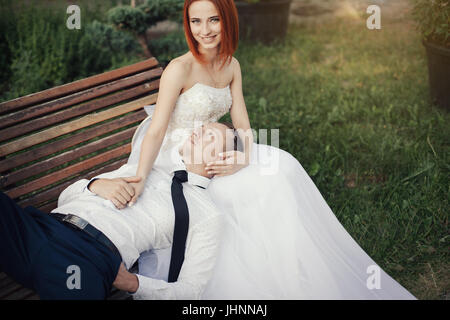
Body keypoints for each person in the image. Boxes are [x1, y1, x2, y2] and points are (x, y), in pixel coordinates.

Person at [127, 0, 418, 299]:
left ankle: (296, 264)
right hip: (181, 151)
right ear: (188, 24)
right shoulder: (180, 68)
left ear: (227, 19)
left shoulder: (231, 63)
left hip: (215, 141)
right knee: (249, 187)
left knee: (282, 163)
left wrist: (245, 156)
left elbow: (241, 120)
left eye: (213, 20)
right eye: (196, 22)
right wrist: (139, 176)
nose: (205, 30)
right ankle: (261, 275)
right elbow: (158, 129)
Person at [0, 121, 237, 299]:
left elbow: (191, 290)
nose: (198, 132)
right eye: (202, 127)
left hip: (81, 261)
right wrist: (95, 185)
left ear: (224, 158)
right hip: (36, 229)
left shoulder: (207, 215)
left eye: (210, 136)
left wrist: (134, 283)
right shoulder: (144, 167)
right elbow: (65, 197)